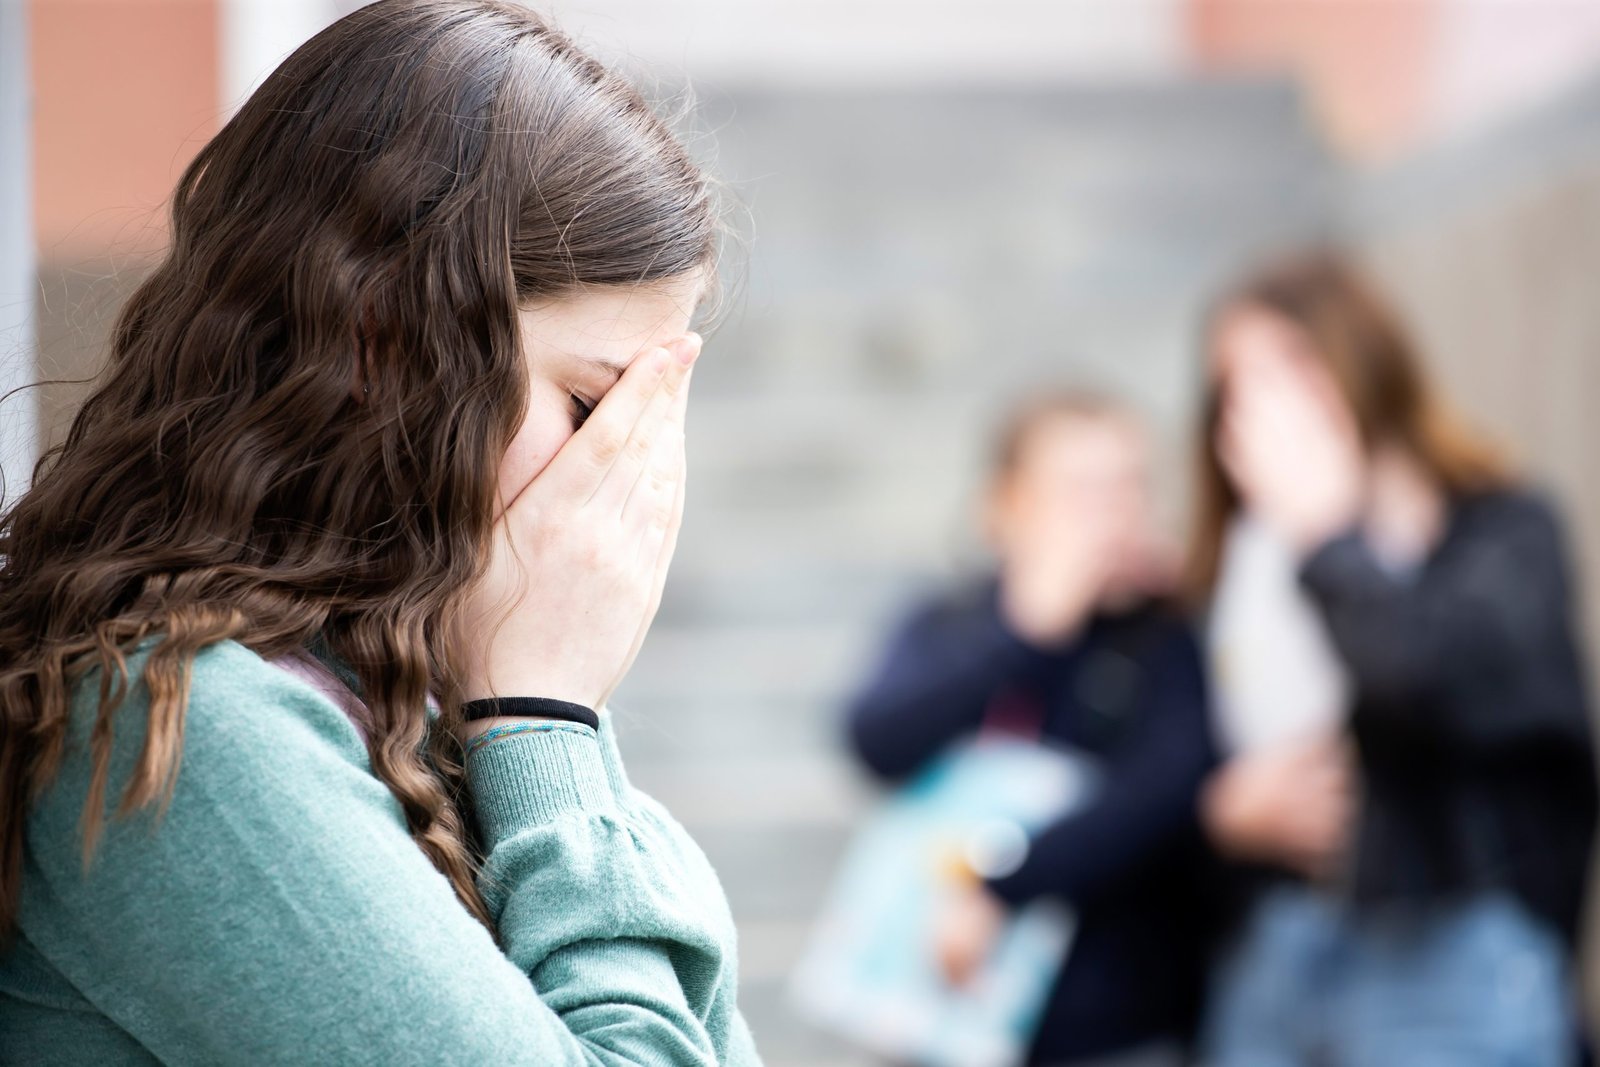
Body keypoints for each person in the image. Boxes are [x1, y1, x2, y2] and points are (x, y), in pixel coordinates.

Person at [0, 2, 762, 1063]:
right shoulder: (178, 729)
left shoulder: (414, 696)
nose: (629, 472)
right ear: (385, 345)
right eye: (592, 406)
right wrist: (548, 720)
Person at [1191, 250, 1598, 1066]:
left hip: (1452, 957)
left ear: (1361, 358)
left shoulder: (1500, 531)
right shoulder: (1233, 561)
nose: (1262, 409)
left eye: (1289, 369)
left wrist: (1327, 532)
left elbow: (1423, 678)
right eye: (1235, 384)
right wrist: (1222, 812)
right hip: (1282, 953)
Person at [844, 394, 1217, 1067]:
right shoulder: (953, 621)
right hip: (941, 1018)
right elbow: (876, 738)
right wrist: (1029, 632)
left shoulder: (1164, 636)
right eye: (1081, 491)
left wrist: (999, 881)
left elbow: (1157, 793)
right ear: (1006, 505)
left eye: (1129, 486)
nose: (1111, 513)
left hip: (1113, 1023)